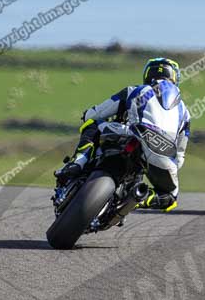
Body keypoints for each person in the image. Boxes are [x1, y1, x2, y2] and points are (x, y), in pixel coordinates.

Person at [55, 57, 190, 211]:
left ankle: (77, 162)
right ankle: (137, 198)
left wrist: (87, 115)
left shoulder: (136, 90)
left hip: (136, 133)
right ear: (175, 77)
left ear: (147, 74)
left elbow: (95, 114)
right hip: (164, 154)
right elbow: (179, 156)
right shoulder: (185, 112)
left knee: (92, 125)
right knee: (170, 198)